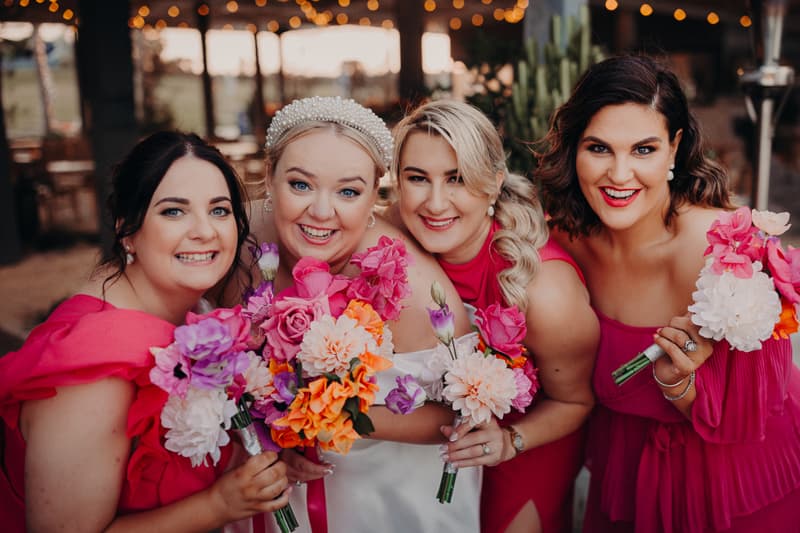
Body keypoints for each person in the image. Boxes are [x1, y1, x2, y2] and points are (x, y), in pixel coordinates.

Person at [537, 54, 800, 532]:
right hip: (624, 474)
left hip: (727, 480)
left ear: (674, 148)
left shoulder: (724, 252)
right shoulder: (565, 240)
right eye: (599, 148)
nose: (619, 174)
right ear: (573, 148)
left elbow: (750, 413)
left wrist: (678, 383)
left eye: (643, 149)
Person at [0, 131, 290, 532]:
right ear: (127, 230)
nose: (205, 231)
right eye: (174, 211)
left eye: (220, 210)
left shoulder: (195, 312)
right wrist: (219, 504)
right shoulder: (93, 371)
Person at [232, 96, 482, 532]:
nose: (321, 212)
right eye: (300, 185)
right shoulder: (238, 241)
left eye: (348, 191)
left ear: (373, 196)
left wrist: (316, 420)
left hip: (389, 500)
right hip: (266, 493)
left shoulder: (411, 287)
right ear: (269, 178)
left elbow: (459, 418)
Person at [389, 99, 599, 533]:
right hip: (439, 439)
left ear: (493, 183)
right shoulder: (394, 236)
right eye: (417, 178)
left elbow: (576, 401)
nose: (435, 201)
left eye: (457, 179)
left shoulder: (543, 291)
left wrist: (511, 441)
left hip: (527, 441)